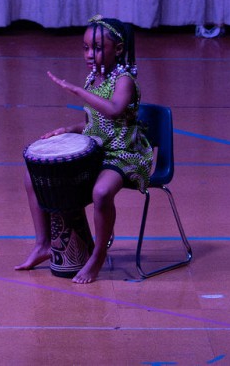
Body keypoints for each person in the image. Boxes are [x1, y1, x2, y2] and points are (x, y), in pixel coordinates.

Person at [15, 15, 153, 283]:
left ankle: (98, 255)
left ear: (119, 50)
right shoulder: (93, 79)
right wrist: (68, 129)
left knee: (101, 192)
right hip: (97, 150)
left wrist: (77, 91)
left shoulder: (123, 80)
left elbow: (113, 112)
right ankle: (42, 244)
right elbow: (93, 123)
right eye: (86, 48)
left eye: (98, 48)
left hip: (125, 154)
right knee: (34, 176)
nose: (90, 54)